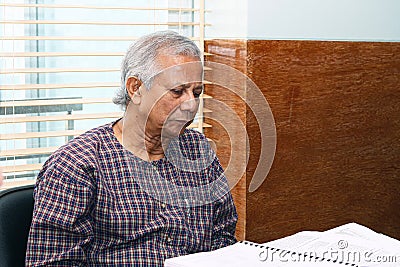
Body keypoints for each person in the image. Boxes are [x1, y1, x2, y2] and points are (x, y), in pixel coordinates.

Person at [25, 31, 238, 266]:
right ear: (135, 88)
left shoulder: (197, 150)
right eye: (177, 91)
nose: (191, 104)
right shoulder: (77, 164)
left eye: (196, 93)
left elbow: (223, 237)